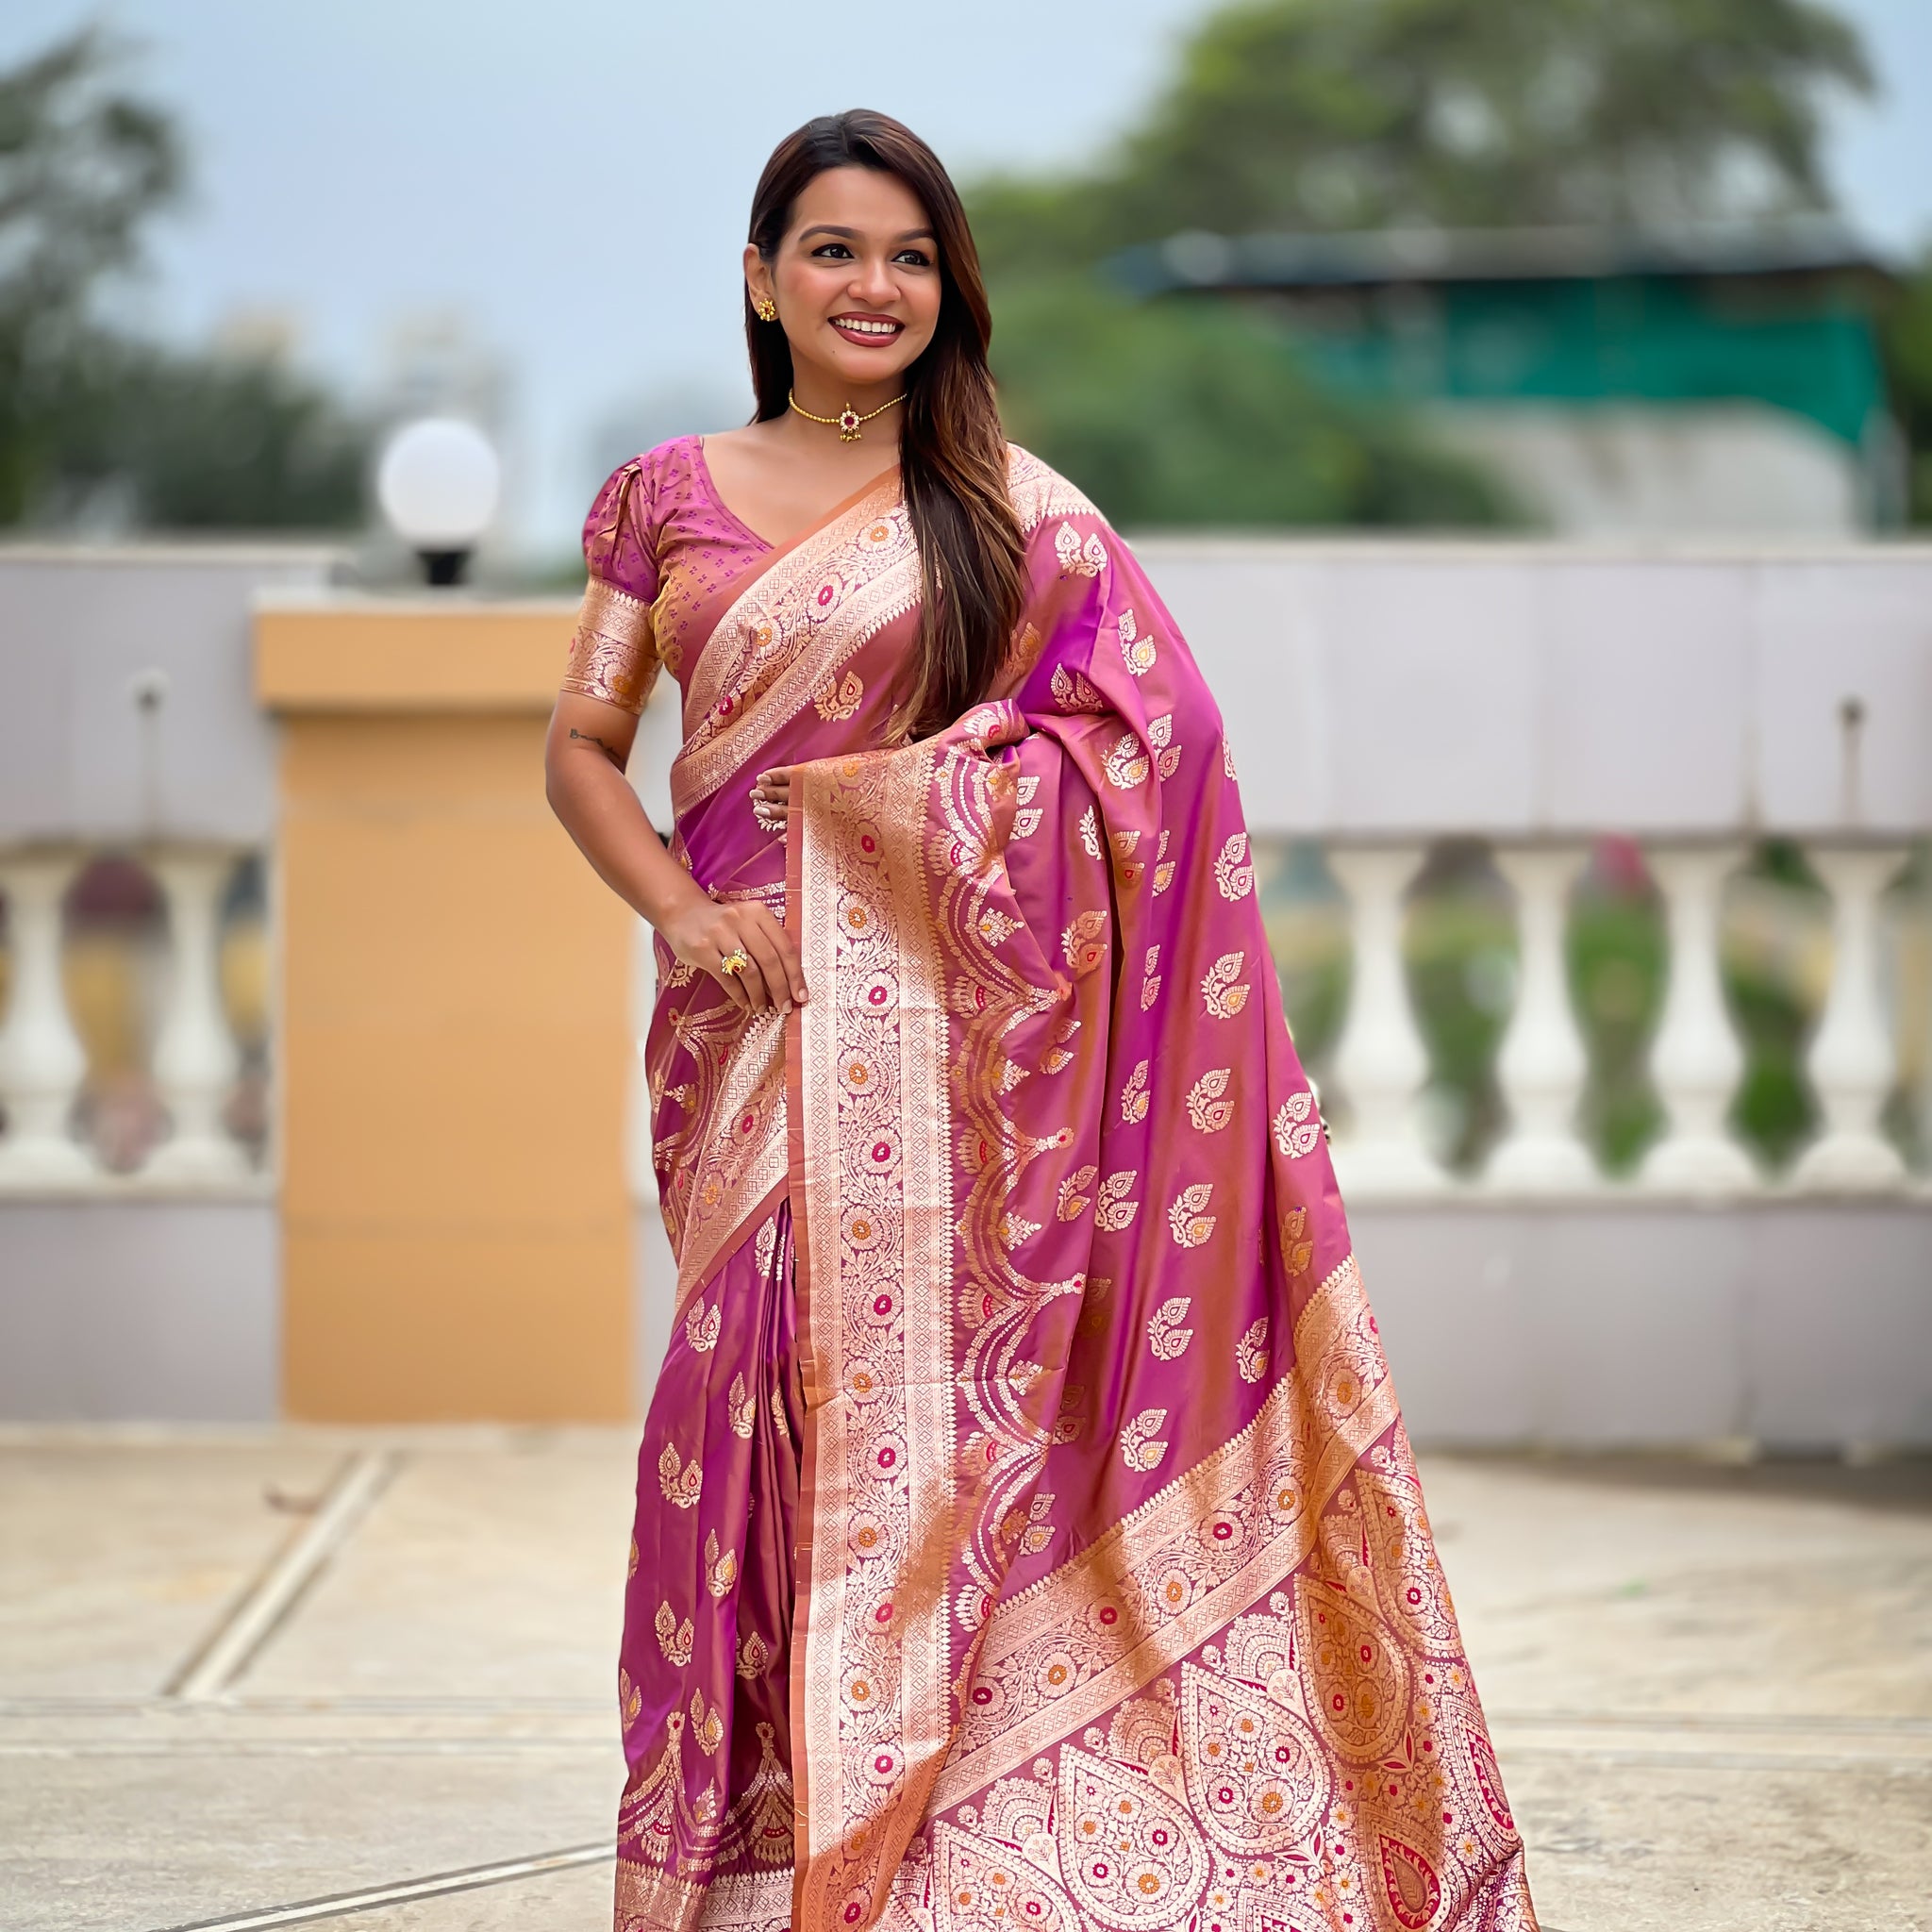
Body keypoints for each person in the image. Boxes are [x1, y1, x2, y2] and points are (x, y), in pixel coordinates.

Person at [545, 108, 1538, 1932]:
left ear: (951, 287)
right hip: (745, 1036)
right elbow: (582, 750)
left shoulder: (1009, 505)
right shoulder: (660, 497)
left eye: (912, 256)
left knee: (937, 1433)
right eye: (834, 250)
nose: (875, 286)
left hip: (947, 1042)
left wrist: (908, 834)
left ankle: (932, 1838)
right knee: (738, 1411)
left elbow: (1163, 746)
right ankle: (746, 1864)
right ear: (760, 279)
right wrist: (683, 916)